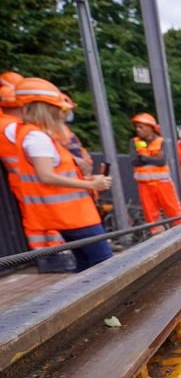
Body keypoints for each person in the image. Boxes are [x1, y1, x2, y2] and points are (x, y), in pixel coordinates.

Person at [10, 77, 112, 271]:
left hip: (70, 215)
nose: (63, 114)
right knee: (105, 263)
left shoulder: (35, 135)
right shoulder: (37, 138)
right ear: (46, 109)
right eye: (60, 109)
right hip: (73, 216)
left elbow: (56, 174)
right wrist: (91, 185)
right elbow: (46, 176)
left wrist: (87, 179)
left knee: (87, 265)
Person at [130, 112, 181, 233]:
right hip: (144, 185)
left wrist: (144, 158)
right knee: (151, 216)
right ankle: (157, 236)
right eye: (137, 127)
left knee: (174, 211)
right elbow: (134, 161)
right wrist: (153, 158)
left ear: (150, 127)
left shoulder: (160, 141)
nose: (137, 129)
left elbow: (162, 161)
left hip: (163, 184)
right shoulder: (135, 141)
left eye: (141, 127)